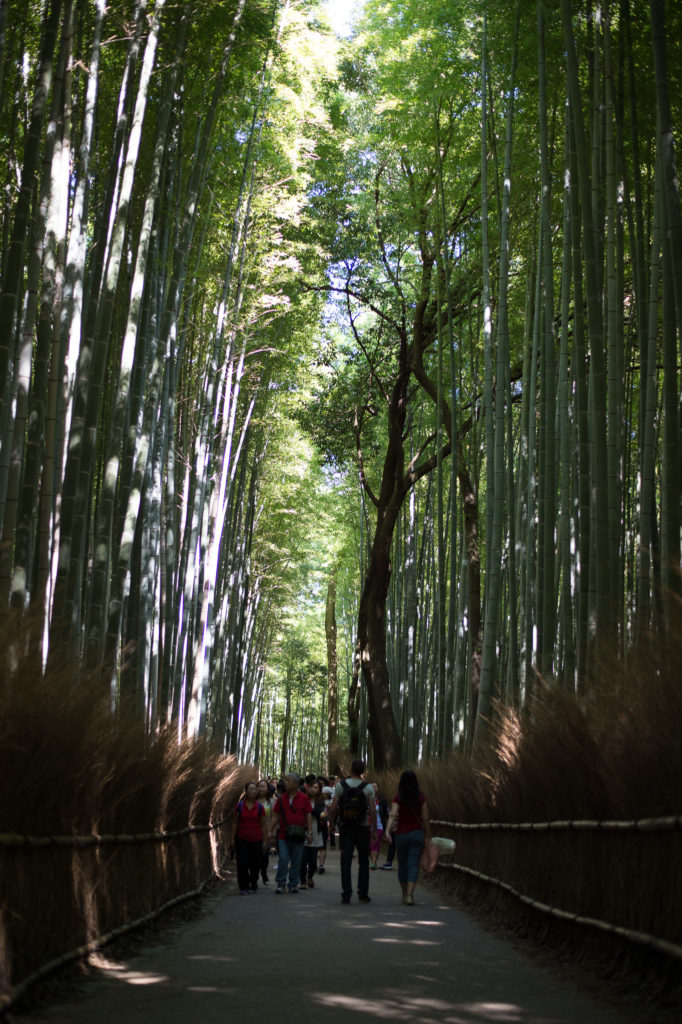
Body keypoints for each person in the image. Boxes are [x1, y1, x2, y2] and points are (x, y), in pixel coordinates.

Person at [328, 758, 376, 904]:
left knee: (346, 861)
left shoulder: (341, 786)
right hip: (362, 827)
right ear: (363, 771)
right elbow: (372, 810)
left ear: (350, 769)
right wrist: (373, 828)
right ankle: (363, 893)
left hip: (346, 827)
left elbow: (333, 807)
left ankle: (346, 894)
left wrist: (331, 825)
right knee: (363, 861)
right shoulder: (368, 788)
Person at [385, 769, 431, 905]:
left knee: (403, 864)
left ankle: (404, 894)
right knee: (413, 864)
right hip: (417, 834)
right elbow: (426, 818)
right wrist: (429, 836)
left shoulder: (398, 797)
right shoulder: (421, 797)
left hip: (401, 834)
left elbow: (392, 814)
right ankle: (410, 895)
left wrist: (387, 831)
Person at [270, 772, 313, 894]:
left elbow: (308, 815)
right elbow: (275, 816)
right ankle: (281, 883)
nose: (285, 783)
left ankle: (293, 884)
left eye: (288, 780)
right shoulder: (281, 798)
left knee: (296, 860)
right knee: (283, 859)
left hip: (298, 835)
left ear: (296, 784)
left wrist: (309, 832)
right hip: (283, 835)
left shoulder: (304, 798)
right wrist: (270, 831)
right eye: (285, 780)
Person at [229, 782, 269, 895]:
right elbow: (234, 824)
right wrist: (232, 840)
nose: (255, 791)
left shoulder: (260, 807)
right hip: (241, 839)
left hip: (256, 840)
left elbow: (263, 825)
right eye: (251, 789)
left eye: (255, 789)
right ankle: (244, 886)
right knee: (242, 864)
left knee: (255, 864)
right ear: (246, 792)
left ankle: (253, 882)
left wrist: (265, 841)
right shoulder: (240, 806)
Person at [301, 779, 326, 887]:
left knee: (312, 860)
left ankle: (310, 876)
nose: (312, 789)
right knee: (303, 859)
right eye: (311, 786)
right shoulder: (303, 799)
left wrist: (308, 810)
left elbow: (319, 813)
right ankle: (302, 881)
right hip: (303, 831)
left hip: (316, 831)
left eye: (316, 787)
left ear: (319, 790)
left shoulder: (320, 801)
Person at [256, 779, 275, 884]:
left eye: (263, 786)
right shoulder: (252, 801)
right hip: (254, 831)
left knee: (265, 855)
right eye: (259, 786)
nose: (261, 788)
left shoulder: (271, 802)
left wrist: (272, 832)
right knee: (255, 855)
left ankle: (264, 872)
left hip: (266, 832)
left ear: (267, 789)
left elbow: (274, 818)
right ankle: (255, 875)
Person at [370, 782, 389, 869]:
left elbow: (387, 813)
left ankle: (374, 862)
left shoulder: (382, 800)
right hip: (368, 825)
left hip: (379, 826)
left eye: (376, 787)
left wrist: (389, 826)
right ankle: (373, 861)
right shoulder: (366, 799)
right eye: (372, 787)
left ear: (378, 788)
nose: (374, 788)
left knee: (375, 843)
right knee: (370, 846)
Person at [318, 786, 334, 873]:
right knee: (316, 847)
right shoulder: (318, 802)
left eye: (328, 794)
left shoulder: (332, 803)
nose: (326, 795)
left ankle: (321, 865)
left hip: (324, 825)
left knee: (323, 846)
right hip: (317, 826)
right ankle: (314, 865)